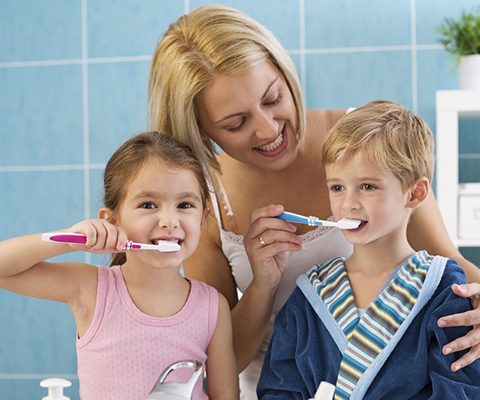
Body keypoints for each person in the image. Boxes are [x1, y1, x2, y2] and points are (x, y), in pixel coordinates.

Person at [148, 5, 480, 398]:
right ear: (201, 130)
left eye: (273, 98)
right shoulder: (201, 200)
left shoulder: (369, 144)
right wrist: (263, 284)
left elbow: (450, 268)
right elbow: (220, 358)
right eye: (236, 124)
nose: (268, 129)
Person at [257, 100, 480, 399]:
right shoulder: (312, 293)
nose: (348, 203)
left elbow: (460, 387)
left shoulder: (442, 288)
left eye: (367, 187)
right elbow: (278, 387)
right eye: (337, 187)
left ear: (415, 193)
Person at [0, 132, 238, 400]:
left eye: (185, 205)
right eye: (148, 205)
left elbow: (226, 395)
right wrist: (71, 240)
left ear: (204, 218)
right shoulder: (91, 288)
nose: (169, 220)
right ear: (112, 221)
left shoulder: (212, 307)